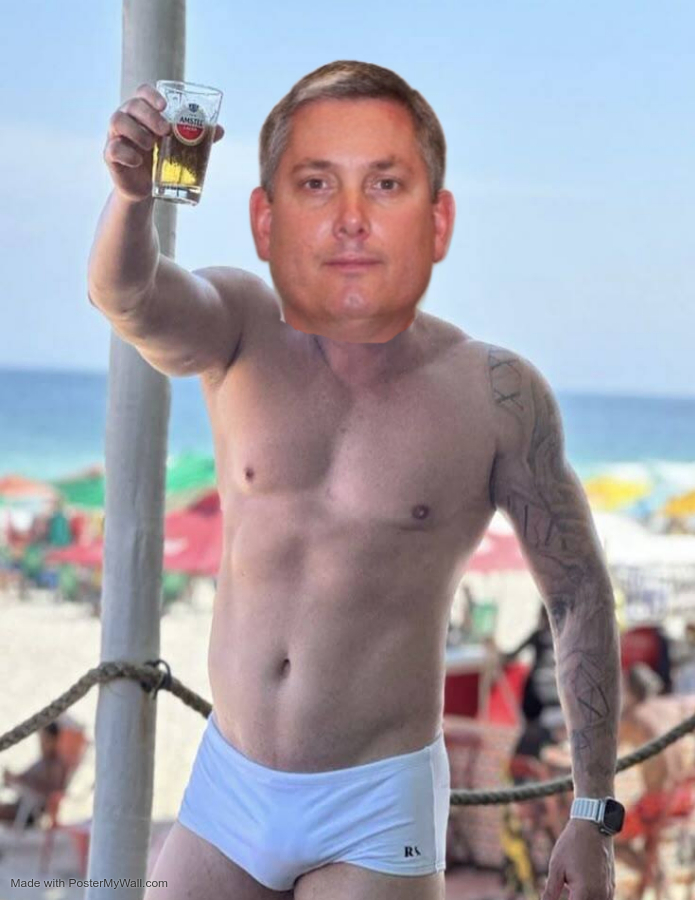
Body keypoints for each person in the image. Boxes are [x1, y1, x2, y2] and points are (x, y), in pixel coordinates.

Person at [89, 60, 622, 900]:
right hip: (228, 786)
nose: (350, 216)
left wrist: (591, 812)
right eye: (316, 183)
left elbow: (578, 595)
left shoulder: (495, 394)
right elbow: (127, 298)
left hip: (374, 806)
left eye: (384, 184)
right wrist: (131, 198)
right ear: (269, 215)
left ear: (435, 218)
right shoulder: (239, 327)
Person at [613, 663, 693, 872]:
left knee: (610, 840)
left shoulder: (633, 716)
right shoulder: (673, 705)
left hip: (657, 803)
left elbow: (605, 753)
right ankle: (655, 875)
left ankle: (654, 876)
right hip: (685, 796)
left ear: (629, 691)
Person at [0, 722, 69, 827]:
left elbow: (50, 793)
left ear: (54, 740)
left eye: (46, 740)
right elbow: (24, 777)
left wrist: (21, 783)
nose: (42, 743)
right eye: (41, 739)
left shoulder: (55, 766)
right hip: (22, 804)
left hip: (30, 811)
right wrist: (13, 778)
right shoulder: (43, 761)